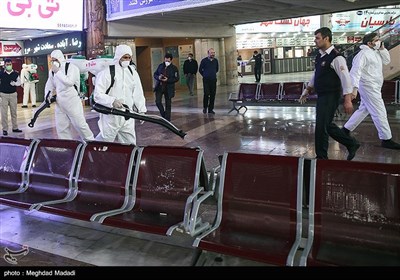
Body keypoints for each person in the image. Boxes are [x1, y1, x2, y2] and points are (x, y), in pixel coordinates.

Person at [299, 27, 360, 160]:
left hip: (331, 95)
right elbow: (316, 75)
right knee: (325, 124)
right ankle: (351, 144)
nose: (315, 41)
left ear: (326, 38)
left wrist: (347, 99)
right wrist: (307, 90)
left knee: (323, 126)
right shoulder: (320, 56)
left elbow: (346, 79)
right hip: (322, 95)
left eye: (317, 38)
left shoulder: (337, 58)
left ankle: (322, 156)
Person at [342, 33, 400, 150]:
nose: (379, 41)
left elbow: (387, 60)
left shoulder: (376, 52)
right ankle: (386, 138)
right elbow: (355, 72)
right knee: (380, 111)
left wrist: (382, 49)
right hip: (368, 87)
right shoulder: (362, 55)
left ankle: (345, 129)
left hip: (375, 86)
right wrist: (354, 89)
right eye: (376, 40)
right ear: (369, 43)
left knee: (364, 109)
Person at [94, 44, 147, 145]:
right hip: (111, 116)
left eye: (129, 57)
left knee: (130, 144)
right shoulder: (107, 72)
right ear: (118, 56)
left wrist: (141, 110)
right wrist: (112, 101)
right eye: (124, 57)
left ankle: (130, 160)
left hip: (127, 115)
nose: (127, 60)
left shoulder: (132, 72)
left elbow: (138, 92)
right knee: (105, 142)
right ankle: (93, 156)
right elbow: (97, 95)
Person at [44, 49, 94, 141]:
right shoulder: (52, 71)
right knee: (61, 127)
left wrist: (58, 72)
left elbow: (69, 82)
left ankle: (91, 143)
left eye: (55, 59)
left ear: (60, 58)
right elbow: (49, 84)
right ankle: (66, 146)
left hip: (72, 102)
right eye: (52, 60)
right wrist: (47, 95)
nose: (53, 62)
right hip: (60, 103)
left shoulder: (72, 68)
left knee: (80, 125)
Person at [153, 53, 179, 121]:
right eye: (165, 59)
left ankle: (167, 119)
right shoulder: (161, 66)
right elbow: (155, 74)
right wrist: (158, 77)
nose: (166, 61)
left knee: (168, 103)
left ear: (171, 60)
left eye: (168, 60)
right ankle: (163, 114)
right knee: (158, 102)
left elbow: (176, 78)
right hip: (160, 86)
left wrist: (168, 80)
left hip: (169, 88)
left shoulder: (174, 68)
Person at [0, 58, 23, 136]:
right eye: (7, 65)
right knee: (4, 113)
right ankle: (5, 129)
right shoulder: (1, 73)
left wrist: (15, 84)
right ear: (4, 65)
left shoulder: (15, 73)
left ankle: (15, 127)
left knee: (14, 112)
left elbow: (19, 82)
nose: (9, 66)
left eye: (10, 64)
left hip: (13, 94)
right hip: (3, 95)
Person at [199, 48, 219, 114]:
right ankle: (205, 107)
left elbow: (217, 69)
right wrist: (205, 75)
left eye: (213, 53)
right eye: (211, 53)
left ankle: (211, 109)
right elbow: (200, 70)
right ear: (208, 53)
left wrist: (212, 74)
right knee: (206, 94)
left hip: (213, 80)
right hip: (206, 80)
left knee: (213, 94)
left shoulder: (215, 61)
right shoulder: (204, 61)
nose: (213, 54)